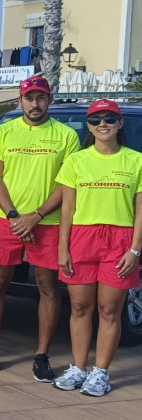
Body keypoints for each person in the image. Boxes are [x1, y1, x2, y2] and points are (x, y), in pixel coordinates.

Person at [0, 76, 79, 380]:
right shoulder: (4, 131)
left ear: (49, 100)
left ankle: (42, 355)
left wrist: (35, 215)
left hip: (46, 223)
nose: (35, 104)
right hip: (4, 220)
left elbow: (67, 184)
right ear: (20, 101)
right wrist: (13, 216)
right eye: (30, 98)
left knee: (47, 287)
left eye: (41, 98)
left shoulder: (66, 136)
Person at [55, 99, 142, 396]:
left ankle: (100, 373)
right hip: (82, 237)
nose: (102, 124)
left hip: (119, 239)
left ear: (119, 123)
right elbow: (67, 209)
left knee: (109, 310)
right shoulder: (76, 161)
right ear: (89, 127)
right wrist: (63, 248)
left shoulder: (136, 160)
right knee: (80, 307)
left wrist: (135, 250)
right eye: (95, 120)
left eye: (109, 118)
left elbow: (140, 210)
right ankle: (79, 368)